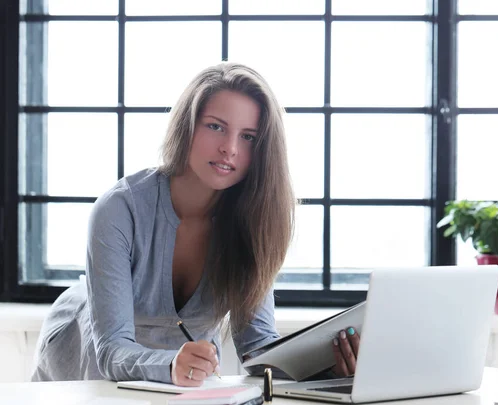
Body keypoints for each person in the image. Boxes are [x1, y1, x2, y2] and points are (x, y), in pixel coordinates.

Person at [31, 62, 360, 386]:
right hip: (85, 362)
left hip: (184, 376)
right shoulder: (119, 208)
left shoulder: (255, 221)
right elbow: (111, 348)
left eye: (247, 137)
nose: (229, 149)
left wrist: (329, 367)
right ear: (186, 126)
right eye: (215, 126)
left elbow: (257, 346)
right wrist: (172, 362)